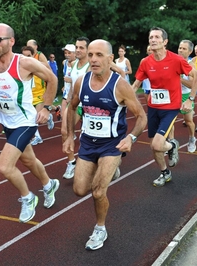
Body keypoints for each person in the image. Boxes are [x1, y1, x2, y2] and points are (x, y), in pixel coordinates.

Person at [0, 23, 60, 223]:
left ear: (11, 41)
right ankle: (48, 184)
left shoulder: (24, 63)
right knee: (28, 160)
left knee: (4, 166)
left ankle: (28, 198)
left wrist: (46, 107)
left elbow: (52, 79)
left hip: (26, 121)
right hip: (6, 122)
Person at [63, 39, 147, 250]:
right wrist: (69, 136)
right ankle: (110, 172)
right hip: (87, 144)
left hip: (112, 146)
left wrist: (131, 138)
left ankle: (100, 228)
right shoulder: (81, 82)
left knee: (98, 192)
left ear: (110, 59)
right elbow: (72, 108)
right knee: (80, 190)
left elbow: (141, 117)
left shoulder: (120, 85)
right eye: (90, 55)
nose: (93, 59)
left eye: (99, 55)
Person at [132, 27, 197, 187]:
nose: (153, 40)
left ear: (165, 42)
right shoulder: (145, 62)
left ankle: (172, 145)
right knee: (155, 148)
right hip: (154, 107)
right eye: (151, 37)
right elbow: (136, 84)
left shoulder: (176, 60)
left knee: (156, 144)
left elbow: (196, 77)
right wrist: (124, 97)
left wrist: (190, 99)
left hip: (170, 107)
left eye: (157, 37)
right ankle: (165, 172)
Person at [61, 37, 91, 180]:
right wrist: (68, 98)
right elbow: (74, 83)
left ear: (87, 50)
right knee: (64, 131)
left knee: (90, 137)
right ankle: (72, 162)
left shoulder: (91, 65)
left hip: (89, 106)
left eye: (81, 48)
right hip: (75, 104)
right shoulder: (73, 65)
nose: (78, 50)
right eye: (77, 47)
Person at [21, 46, 55, 145]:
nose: (27, 58)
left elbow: (51, 77)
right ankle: (47, 120)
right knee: (31, 118)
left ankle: (37, 136)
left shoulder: (37, 66)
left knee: (35, 118)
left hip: (40, 94)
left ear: (33, 56)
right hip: (28, 95)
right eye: (24, 56)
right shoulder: (20, 67)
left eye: (29, 56)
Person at [178, 40, 197, 152]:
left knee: (188, 121)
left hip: (185, 95)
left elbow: (191, 84)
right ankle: (171, 141)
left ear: (190, 52)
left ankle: (191, 138)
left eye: (184, 49)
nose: (181, 50)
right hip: (173, 95)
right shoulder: (174, 61)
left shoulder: (191, 65)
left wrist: (179, 78)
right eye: (180, 48)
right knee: (170, 119)